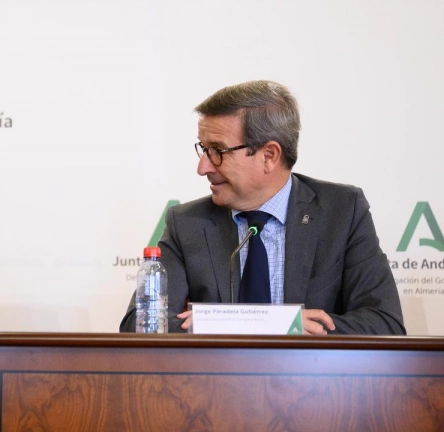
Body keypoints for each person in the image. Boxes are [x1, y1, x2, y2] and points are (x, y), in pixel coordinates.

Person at [120, 80, 405, 335]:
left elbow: (385, 323)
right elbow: (139, 325)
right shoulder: (187, 223)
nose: (203, 167)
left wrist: (284, 327)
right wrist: (261, 324)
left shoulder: (342, 211)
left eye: (217, 151)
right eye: (203, 149)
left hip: (313, 376)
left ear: (269, 155)